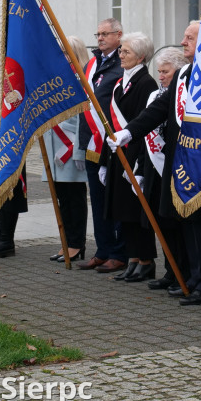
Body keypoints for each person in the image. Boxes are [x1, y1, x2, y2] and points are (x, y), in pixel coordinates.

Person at [110, 22, 201, 305]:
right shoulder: (183, 73)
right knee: (187, 222)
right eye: (183, 36)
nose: (182, 41)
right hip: (180, 159)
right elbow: (160, 109)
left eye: (189, 37)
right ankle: (195, 278)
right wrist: (130, 131)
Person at [99, 32, 158, 281]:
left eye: (126, 52)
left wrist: (139, 165)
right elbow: (110, 124)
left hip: (134, 155)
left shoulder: (147, 83)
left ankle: (146, 261)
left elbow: (143, 125)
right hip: (117, 153)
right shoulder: (121, 82)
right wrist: (104, 159)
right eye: (121, 51)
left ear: (141, 56)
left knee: (136, 213)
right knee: (124, 213)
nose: (121, 56)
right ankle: (133, 258)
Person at [77, 18, 127, 273]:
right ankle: (103, 249)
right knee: (96, 198)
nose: (100, 38)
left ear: (119, 35)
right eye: (98, 34)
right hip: (91, 141)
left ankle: (120, 252)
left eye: (105, 34)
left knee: (115, 199)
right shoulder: (93, 63)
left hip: (113, 141)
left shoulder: (124, 62)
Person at [141, 46, 191, 291]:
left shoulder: (182, 95)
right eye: (159, 71)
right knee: (162, 223)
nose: (160, 76)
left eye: (165, 71)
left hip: (174, 167)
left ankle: (184, 271)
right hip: (155, 168)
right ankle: (171, 271)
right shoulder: (156, 96)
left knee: (177, 225)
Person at [42, 35, 90, 263]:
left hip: (72, 146)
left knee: (75, 198)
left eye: (64, 52)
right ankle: (66, 242)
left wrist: (79, 148)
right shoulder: (57, 78)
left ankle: (76, 245)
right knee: (62, 197)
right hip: (55, 145)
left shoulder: (81, 79)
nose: (60, 56)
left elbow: (83, 116)